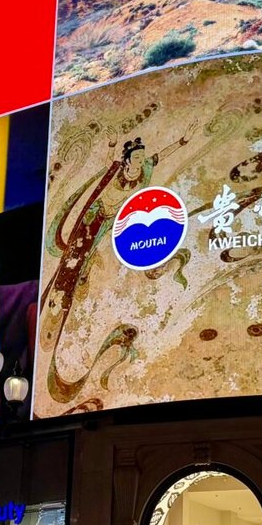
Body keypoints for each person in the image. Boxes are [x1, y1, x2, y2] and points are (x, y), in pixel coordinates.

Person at [41, 133, 192, 403]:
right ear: (128, 158)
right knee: (77, 259)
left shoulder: (145, 170)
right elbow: (107, 162)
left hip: (114, 224)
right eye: (136, 156)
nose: (140, 160)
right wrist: (111, 143)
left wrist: (182, 141)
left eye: (142, 156)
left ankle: (83, 284)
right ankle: (62, 298)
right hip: (95, 218)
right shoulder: (117, 169)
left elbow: (161, 155)